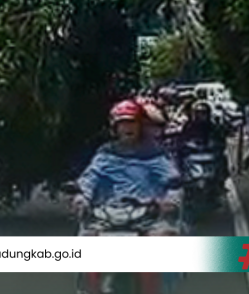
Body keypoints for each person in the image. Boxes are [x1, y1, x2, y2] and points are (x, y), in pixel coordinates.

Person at [71, 99, 182, 236]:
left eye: (132, 123)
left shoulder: (154, 153)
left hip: (148, 217)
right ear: (115, 128)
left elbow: (172, 181)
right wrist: (82, 197)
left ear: (140, 126)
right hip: (106, 216)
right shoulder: (106, 154)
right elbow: (90, 177)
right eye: (122, 124)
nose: (127, 128)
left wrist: (170, 200)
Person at [178, 101, 229, 187]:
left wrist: (216, 144)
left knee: (222, 159)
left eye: (203, 113)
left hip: (210, 153)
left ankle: (221, 179)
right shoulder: (189, 125)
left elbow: (221, 139)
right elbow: (182, 139)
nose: (201, 115)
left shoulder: (214, 126)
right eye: (198, 113)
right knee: (179, 158)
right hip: (193, 154)